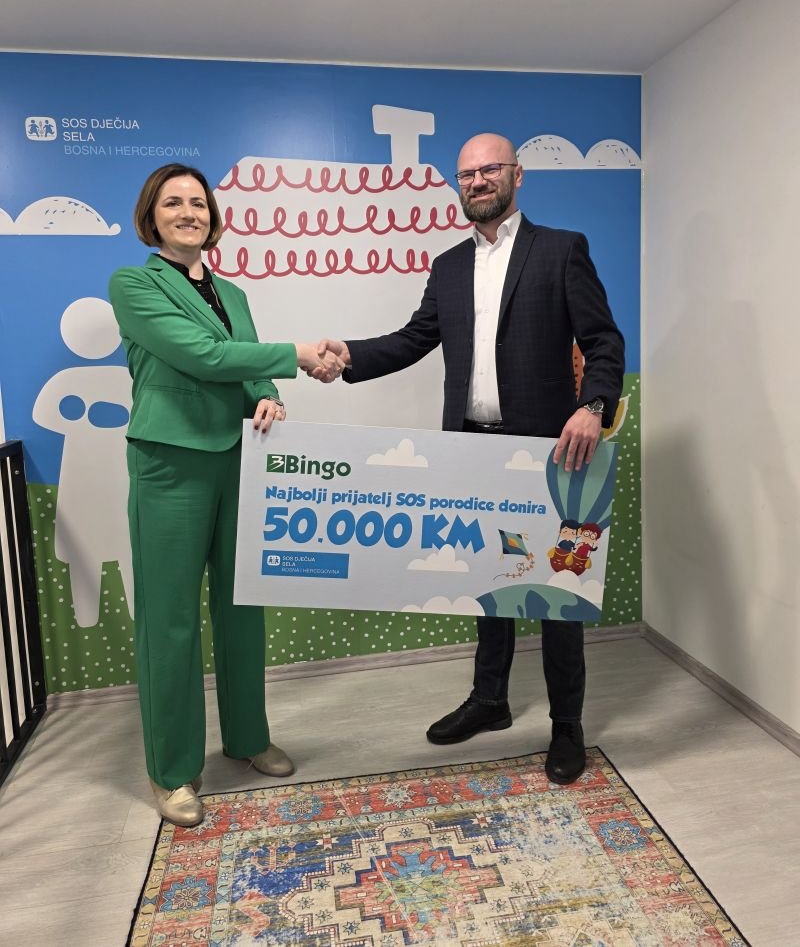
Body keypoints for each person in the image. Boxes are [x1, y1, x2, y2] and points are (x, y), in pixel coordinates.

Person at [318, 133, 624, 785]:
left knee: (557, 594)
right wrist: (349, 355)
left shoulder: (562, 249)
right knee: (490, 585)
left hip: (551, 452)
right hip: (472, 452)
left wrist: (593, 406)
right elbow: (414, 338)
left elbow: (603, 341)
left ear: (517, 175)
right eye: (467, 174)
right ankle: (491, 700)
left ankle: (567, 724)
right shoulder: (449, 266)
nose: (478, 181)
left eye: (490, 170)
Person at [108, 164, 343, 826]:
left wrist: (268, 396)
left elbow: (244, 364)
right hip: (171, 465)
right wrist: (298, 353)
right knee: (170, 619)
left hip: (241, 458)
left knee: (243, 608)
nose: (189, 212)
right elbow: (204, 356)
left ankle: (248, 737)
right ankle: (172, 770)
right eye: (173, 203)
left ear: (213, 216)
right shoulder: (133, 284)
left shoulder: (232, 291)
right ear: (151, 216)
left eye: (198, 202)